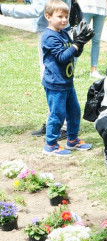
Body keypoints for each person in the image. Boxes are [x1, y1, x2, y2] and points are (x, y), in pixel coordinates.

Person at [0, 0, 71, 139]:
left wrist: (2, 8)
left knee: (55, 79)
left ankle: (61, 125)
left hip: (54, 32)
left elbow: (36, 9)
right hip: (56, 31)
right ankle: (54, 121)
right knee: (53, 78)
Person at [41, 0, 94, 156]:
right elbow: (62, 57)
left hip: (67, 82)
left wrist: (81, 43)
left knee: (74, 112)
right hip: (55, 84)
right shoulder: (49, 37)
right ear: (48, 16)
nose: (64, 20)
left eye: (66, 16)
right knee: (57, 114)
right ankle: (50, 145)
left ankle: (72, 140)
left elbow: (75, 53)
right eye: (60, 16)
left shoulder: (63, 33)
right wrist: (76, 44)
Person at [77, 0, 107, 78]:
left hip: (101, 8)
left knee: (96, 41)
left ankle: (93, 70)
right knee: (79, 39)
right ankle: (71, 69)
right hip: (85, 7)